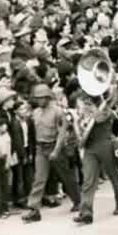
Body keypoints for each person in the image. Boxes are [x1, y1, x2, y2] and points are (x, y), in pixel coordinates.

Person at [22, 85, 79, 223]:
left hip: (55, 147)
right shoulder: (35, 113)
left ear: (48, 97)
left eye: (42, 98)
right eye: (37, 98)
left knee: (66, 176)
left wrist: (56, 151)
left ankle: (78, 200)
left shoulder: (58, 112)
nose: (39, 100)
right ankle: (33, 209)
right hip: (41, 148)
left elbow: (61, 133)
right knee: (39, 179)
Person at [75, 91, 118, 225]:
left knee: (114, 175)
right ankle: (86, 212)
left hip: (105, 144)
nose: (87, 102)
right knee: (88, 180)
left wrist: (93, 110)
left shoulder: (106, 110)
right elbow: (81, 125)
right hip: (90, 147)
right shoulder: (87, 108)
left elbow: (100, 118)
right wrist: (81, 117)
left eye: (90, 100)